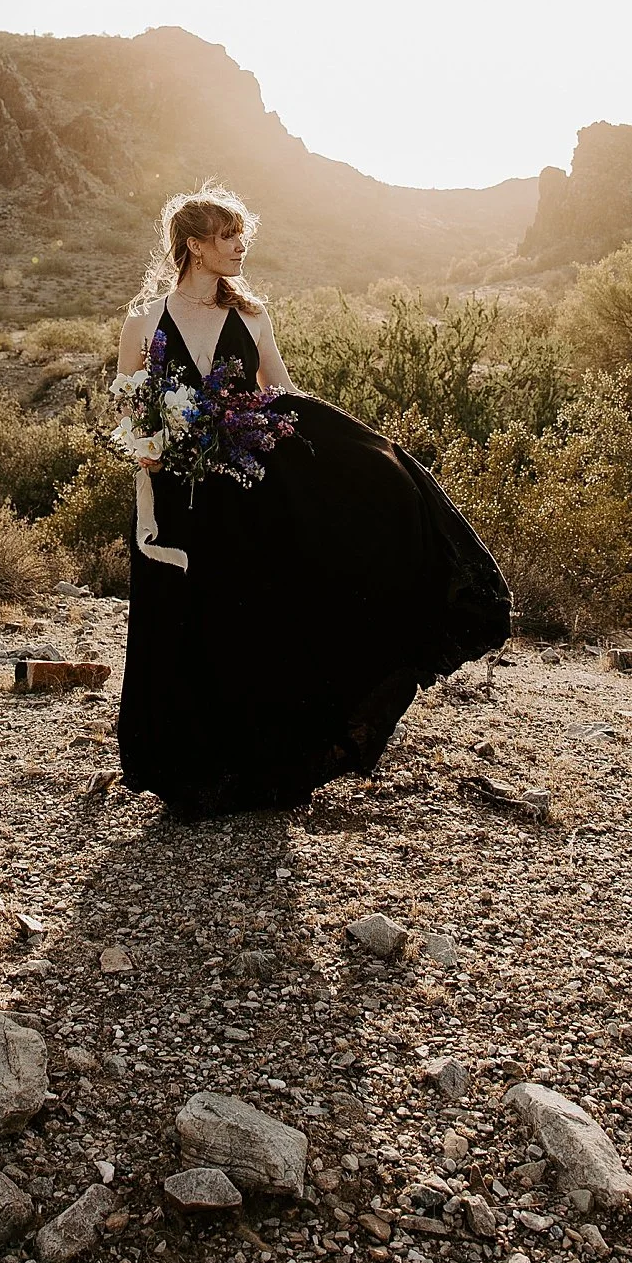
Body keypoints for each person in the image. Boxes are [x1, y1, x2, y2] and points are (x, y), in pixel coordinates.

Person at [115, 186, 512, 817]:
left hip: (246, 494)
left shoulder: (250, 317)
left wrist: (353, 459)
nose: (240, 247)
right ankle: (183, 770)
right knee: (180, 621)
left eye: (242, 235)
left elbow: (283, 394)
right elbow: (128, 400)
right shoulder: (143, 322)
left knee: (247, 622)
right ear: (193, 244)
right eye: (227, 236)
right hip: (175, 496)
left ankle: (257, 767)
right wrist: (149, 443)